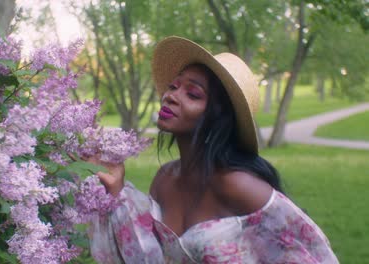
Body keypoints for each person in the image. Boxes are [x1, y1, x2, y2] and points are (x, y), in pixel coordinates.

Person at [87, 36, 339, 263]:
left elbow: (314, 256)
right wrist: (116, 188)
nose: (171, 96)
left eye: (193, 94)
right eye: (173, 87)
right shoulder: (164, 179)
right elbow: (149, 256)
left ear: (218, 117)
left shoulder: (239, 186)